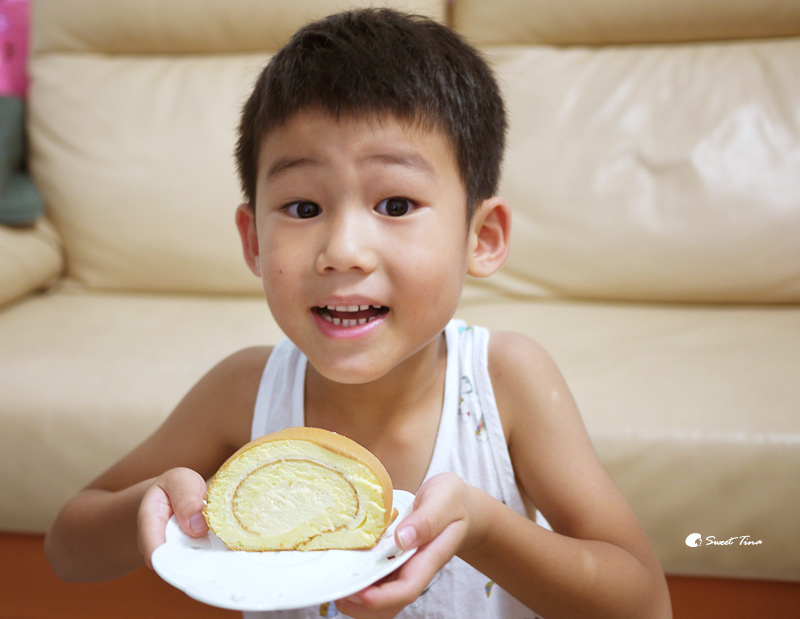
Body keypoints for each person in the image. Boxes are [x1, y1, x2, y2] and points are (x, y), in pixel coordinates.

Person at [45, 8, 671, 618]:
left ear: (480, 238)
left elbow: (643, 602)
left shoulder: (504, 384)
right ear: (254, 242)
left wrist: (483, 530)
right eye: (303, 208)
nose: (342, 251)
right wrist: (143, 508)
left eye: (396, 205)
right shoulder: (242, 391)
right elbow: (67, 547)